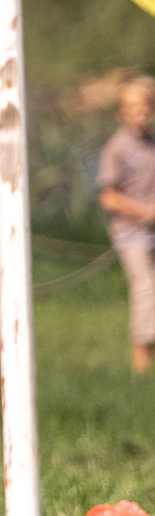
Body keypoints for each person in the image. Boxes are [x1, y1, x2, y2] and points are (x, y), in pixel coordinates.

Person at [98, 75, 155, 376]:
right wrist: (143, 211)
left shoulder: (151, 145)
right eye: (132, 107)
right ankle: (141, 363)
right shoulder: (117, 147)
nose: (140, 113)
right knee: (146, 289)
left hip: (152, 234)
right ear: (122, 111)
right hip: (130, 233)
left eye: (145, 107)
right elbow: (107, 196)